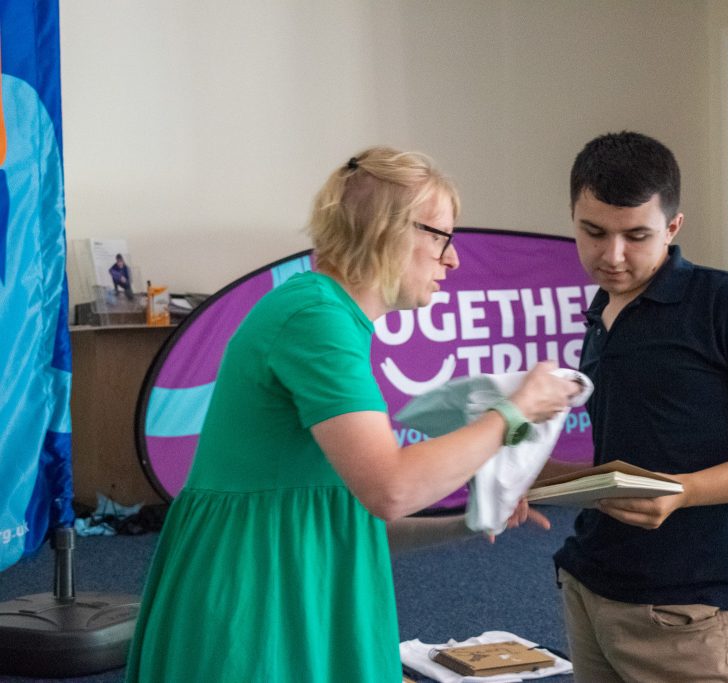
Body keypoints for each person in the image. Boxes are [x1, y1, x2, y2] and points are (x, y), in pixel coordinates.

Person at [125, 146, 579, 682]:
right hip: (258, 597)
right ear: (387, 231)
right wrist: (518, 408)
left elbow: (354, 516)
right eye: (441, 236)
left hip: (285, 581)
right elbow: (391, 488)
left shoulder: (324, 313)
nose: (452, 258)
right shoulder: (316, 319)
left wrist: (469, 522)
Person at [542, 131, 728, 682]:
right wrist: (535, 480)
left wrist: (683, 492)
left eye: (637, 235)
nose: (612, 255)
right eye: (593, 232)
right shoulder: (601, 312)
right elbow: (626, 465)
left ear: (673, 228)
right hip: (591, 586)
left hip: (690, 611)